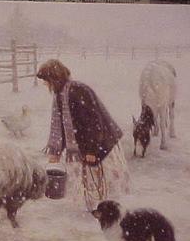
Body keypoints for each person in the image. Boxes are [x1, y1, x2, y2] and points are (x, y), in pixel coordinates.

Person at [37, 59, 130, 210]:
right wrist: (56, 151)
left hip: (100, 141)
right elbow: (60, 124)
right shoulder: (60, 94)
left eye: (46, 80)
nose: (45, 84)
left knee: (102, 180)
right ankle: (91, 208)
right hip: (84, 143)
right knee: (87, 180)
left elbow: (94, 122)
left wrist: (92, 150)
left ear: (54, 78)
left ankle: (106, 211)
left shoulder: (78, 91)